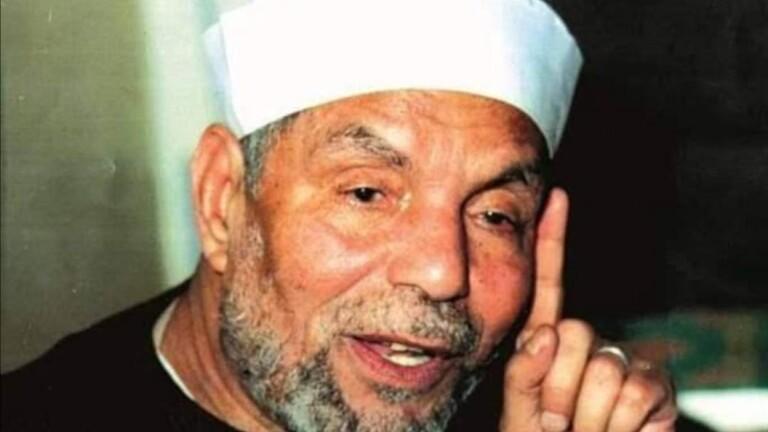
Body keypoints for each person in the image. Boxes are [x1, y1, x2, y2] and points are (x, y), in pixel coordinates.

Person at [2, 0, 677, 430]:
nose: (442, 271)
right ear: (221, 198)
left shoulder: (535, 412)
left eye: (496, 215)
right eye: (367, 193)